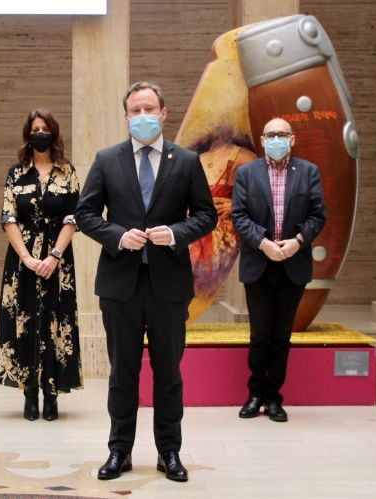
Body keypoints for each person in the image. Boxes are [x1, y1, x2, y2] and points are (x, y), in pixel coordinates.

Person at [75, 81, 216, 483]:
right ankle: (119, 451)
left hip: (169, 285)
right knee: (123, 372)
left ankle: (169, 451)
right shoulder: (107, 160)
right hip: (120, 285)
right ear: (126, 115)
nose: (142, 116)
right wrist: (118, 236)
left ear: (163, 113)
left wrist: (175, 234)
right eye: (135, 110)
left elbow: (206, 215)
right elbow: (85, 214)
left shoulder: (186, 161)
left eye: (149, 109)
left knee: (168, 372)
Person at [230, 117, 327, 423]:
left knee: (281, 335)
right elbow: (239, 215)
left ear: (292, 139)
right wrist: (263, 243)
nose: (276, 139)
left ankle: (274, 397)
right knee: (260, 334)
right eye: (270, 134)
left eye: (282, 134)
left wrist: (298, 241)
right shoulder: (246, 173)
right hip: (259, 263)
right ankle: (254, 394)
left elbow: (318, 215)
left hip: (293, 263)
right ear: (262, 140)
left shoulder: (308, 172)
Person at [0, 108, 83, 422]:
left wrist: (54, 256)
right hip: (22, 260)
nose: (40, 134)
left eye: (45, 129)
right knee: (25, 322)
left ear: (53, 133)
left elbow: (74, 217)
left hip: (58, 260)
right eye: (35, 129)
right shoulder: (16, 172)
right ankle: (30, 392)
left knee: (56, 323)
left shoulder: (67, 171)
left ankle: (52, 394)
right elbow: (8, 217)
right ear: (27, 135)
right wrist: (27, 258)